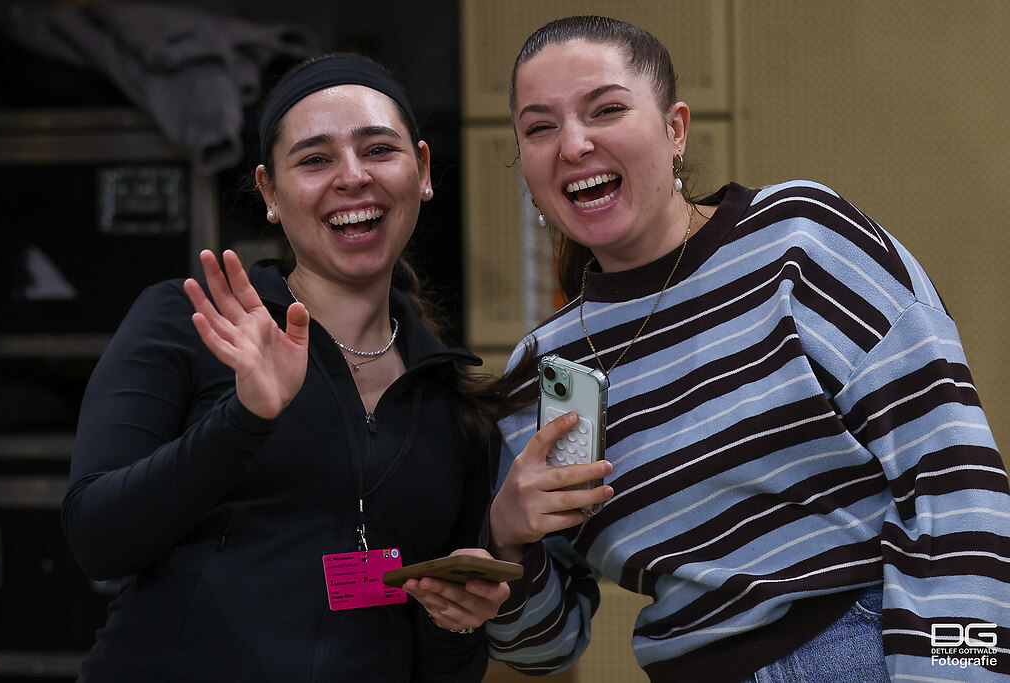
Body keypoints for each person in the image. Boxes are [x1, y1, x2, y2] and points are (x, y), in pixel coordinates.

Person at [484, 15, 1010, 683]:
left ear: (675, 129)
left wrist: (966, 669)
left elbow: (951, 477)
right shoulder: (542, 371)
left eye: (606, 110)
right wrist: (508, 538)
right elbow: (544, 648)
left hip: (862, 651)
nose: (573, 144)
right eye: (539, 128)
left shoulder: (799, 241)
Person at [62, 53, 509, 682]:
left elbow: (436, 667)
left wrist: (454, 622)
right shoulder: (195, 323)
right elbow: (96, 540)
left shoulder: (453, 403)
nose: (353, 177)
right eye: (315, 159)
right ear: (270, 192)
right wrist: (243, 420)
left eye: (379, 150)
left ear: (423, 170)